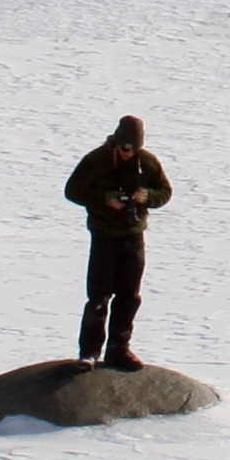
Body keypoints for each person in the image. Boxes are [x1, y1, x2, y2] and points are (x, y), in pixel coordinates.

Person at [62, 116, 173, 369]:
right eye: (124, 147)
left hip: (133, 236)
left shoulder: (147, 162)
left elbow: (165, 192)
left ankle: (119, 350)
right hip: (103, 237)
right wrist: (105, 198)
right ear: (115, 142)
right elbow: (72, 191)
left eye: (133, 148)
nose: (128, 152)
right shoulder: (96, 160)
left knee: (129, 297)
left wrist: (147, 196)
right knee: (99, 298)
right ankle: (88, 353)